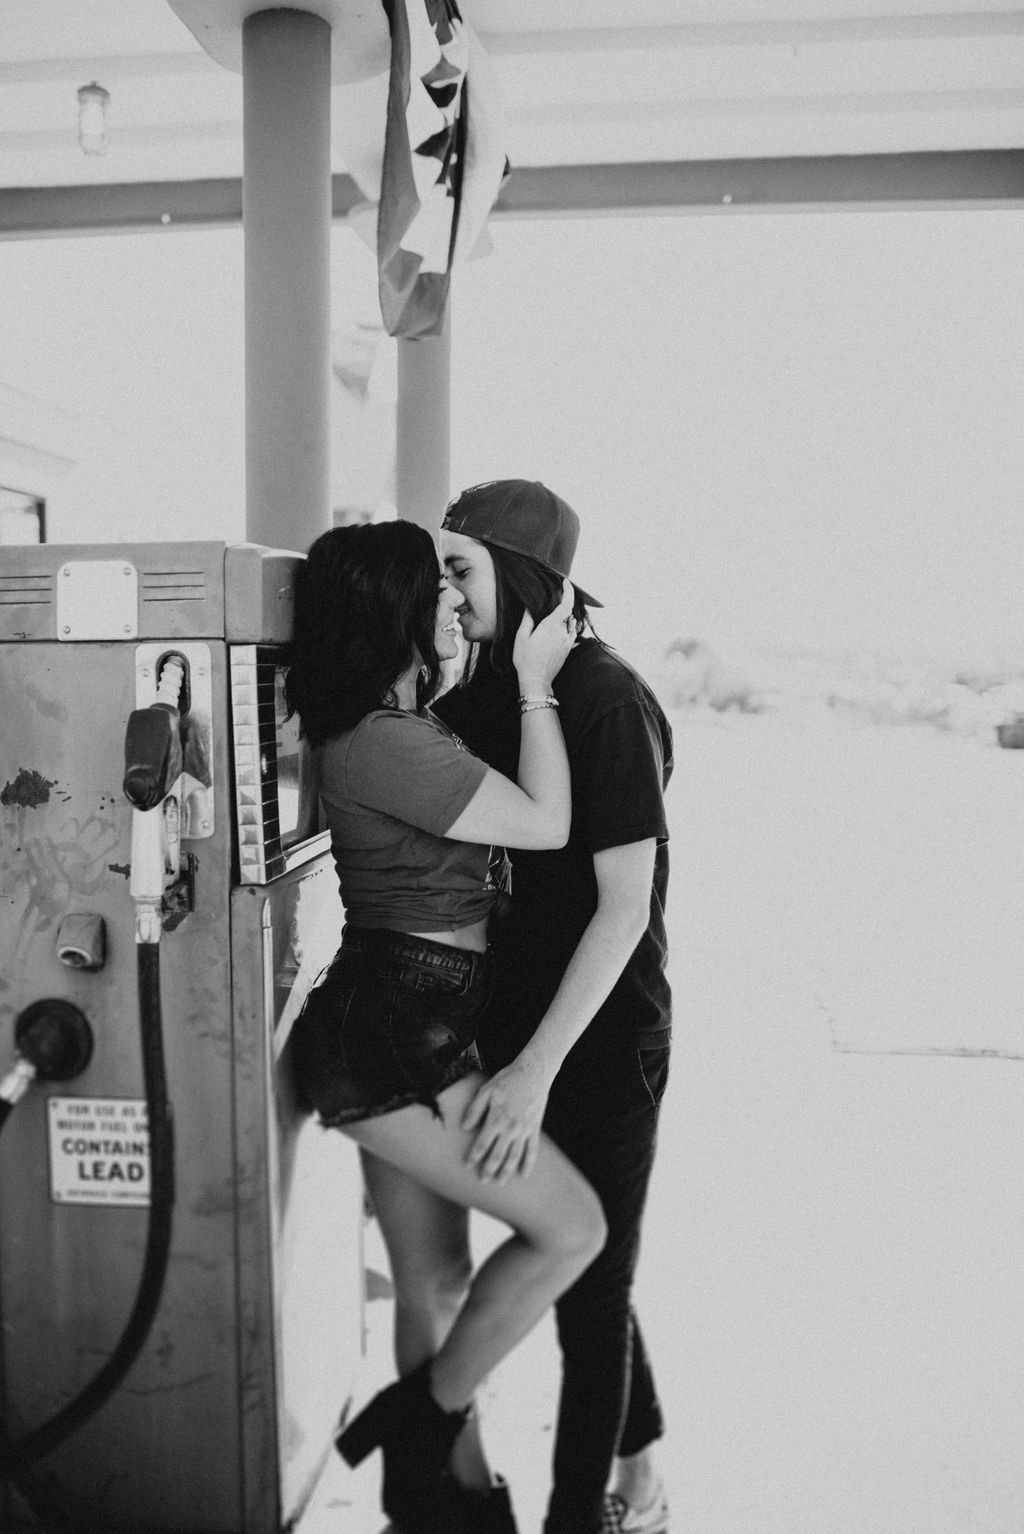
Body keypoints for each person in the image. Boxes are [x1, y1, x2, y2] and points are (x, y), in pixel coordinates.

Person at [284, 520, 607, 1534]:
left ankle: (442, 1503)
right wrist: (537, 686)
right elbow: (546, 822)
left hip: (409, 1013)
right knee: (573, 1228)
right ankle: (421, 1419)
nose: (457, 605)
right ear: (394, 611)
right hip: (391, 1030)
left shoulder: (393, 724)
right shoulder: (386, 742)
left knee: (435, 1283)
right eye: (439, 591)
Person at [434, 480, 674, 1534]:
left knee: (593, 1286)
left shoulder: (607, 698)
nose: (445, 593)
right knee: (582, 1264)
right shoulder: (481, 693)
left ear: (526, 575)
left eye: (460, 570)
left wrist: (534, 1069)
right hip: (508, 1030)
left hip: (602, 1038)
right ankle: (646, 1473)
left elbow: (623, 911)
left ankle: (592, 1513)